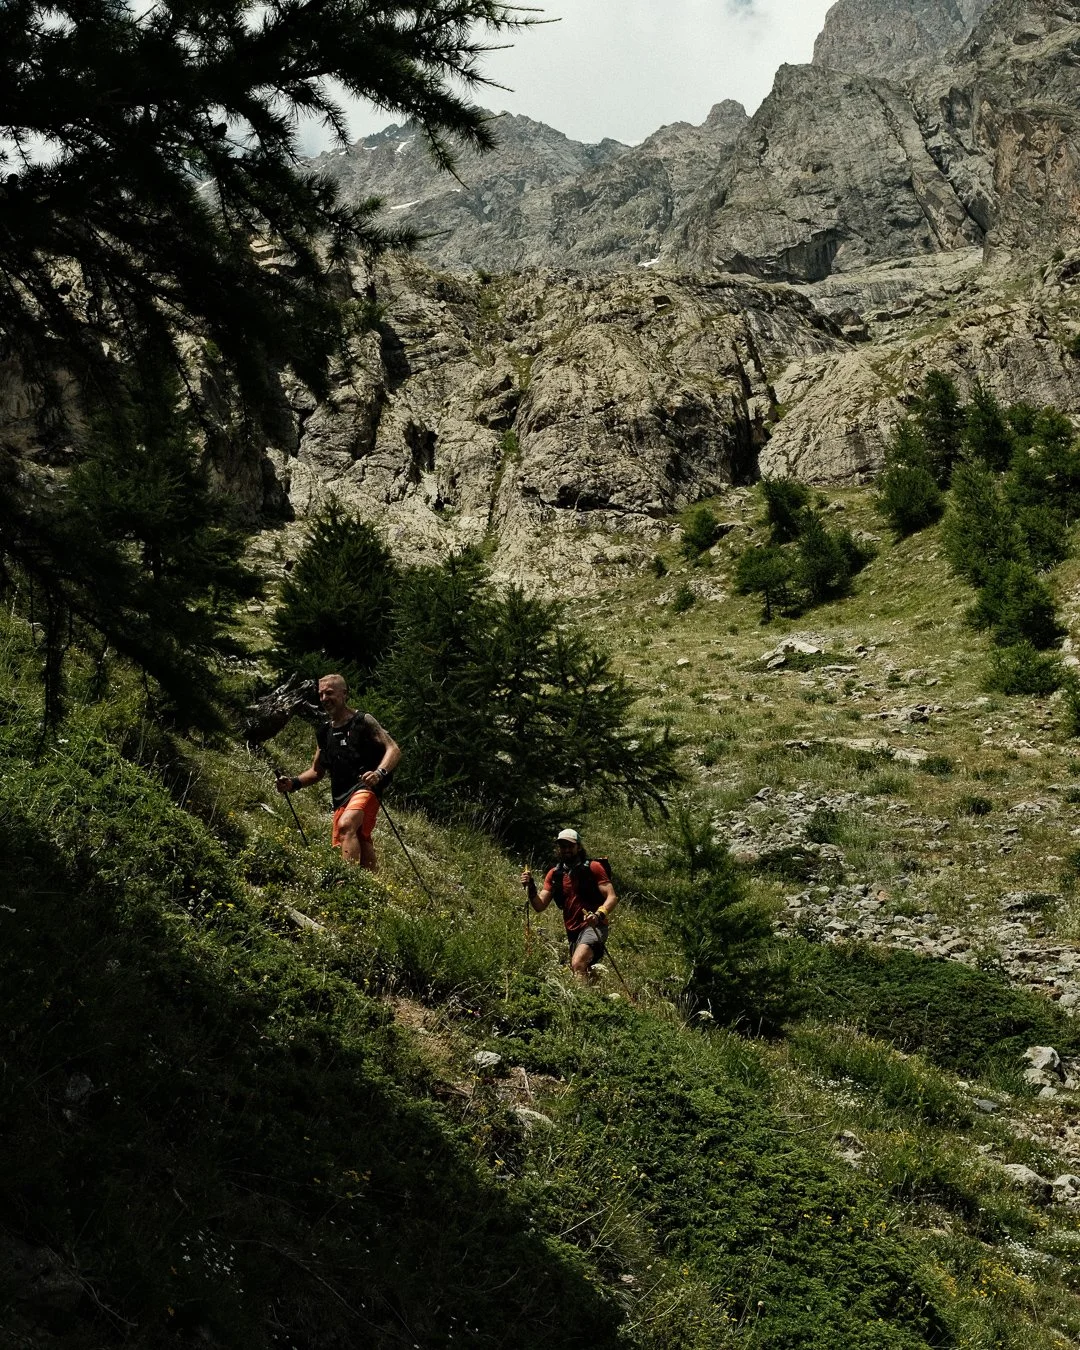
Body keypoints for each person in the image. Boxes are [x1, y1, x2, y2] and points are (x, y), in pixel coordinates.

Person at [276, 673, 400, 871]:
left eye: (330, 693)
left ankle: (348, 881)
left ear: (344, 694)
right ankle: (370, 888)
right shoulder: (324, 732)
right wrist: (293, 783)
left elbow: (393, 749)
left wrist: (379, 773)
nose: (325, 699)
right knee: (360, 836)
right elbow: (317, 772)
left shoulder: (363, 721)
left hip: (366, 786)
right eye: (321, 694)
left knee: (346, 824)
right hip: (340, 793)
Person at [520, 828, 617, 982]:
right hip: (572, 930)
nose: (566, 850)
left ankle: (581, 1004)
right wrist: (531, 887)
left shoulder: (593, 868)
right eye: (562, 846)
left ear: (578, 847)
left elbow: (611, 897)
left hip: (594, 926)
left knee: (577, 963)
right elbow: (539, 906)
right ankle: (595, 999)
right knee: (583, 970)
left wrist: (598, 915)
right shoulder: (555, 874)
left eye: (570, 846)